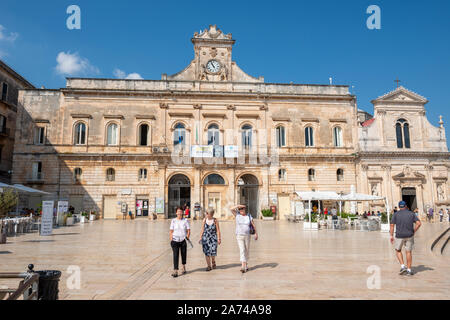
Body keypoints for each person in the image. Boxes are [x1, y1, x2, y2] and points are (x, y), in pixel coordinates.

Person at [390, 201, 421, 276]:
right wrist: (414, 231)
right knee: (408, 252)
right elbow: (419, 223)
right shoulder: (411, 213)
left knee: (398, 250)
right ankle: (409, 270)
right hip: (409, 235)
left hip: (399, 235)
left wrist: (391, 235)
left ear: (399, 207)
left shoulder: (396, 214)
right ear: (406, 206)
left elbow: (392, 225)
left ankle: (403, 266)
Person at [230, 204, 258, 273]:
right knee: (242, 249)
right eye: (240, 209)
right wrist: (238, 205)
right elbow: (231, 209)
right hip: (239, 235)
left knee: (247, 250)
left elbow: (253, 224)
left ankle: (246, 263)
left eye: (242, 209)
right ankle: (243, 266)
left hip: (247, 235)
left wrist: (256, 233)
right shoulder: (237, 215)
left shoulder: (248, 216)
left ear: (245, 209)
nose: (241, 210)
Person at [169, 206, 191, 277]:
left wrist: (187, 237)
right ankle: (175, 270)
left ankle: (183, 267)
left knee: (183, 254)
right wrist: (171, 240)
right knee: (175, 255)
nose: (179, 213)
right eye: (178, 212)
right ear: (176, 213)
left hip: (183, 240)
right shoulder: (173, 220)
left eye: (181, 211)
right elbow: (171, 231)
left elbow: (188, 230)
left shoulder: (185, 220)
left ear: (182, 212)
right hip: (175, 240)